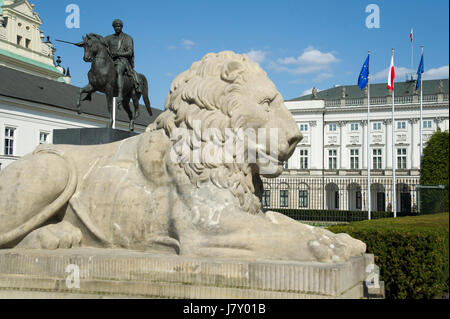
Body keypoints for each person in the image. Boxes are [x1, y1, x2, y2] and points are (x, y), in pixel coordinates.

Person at [105, 19, 141, 107]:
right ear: (113, 27)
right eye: (116, 26)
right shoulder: (108, 38)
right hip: (111, 60)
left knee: (118, 70)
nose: (117, 28)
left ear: (121, 27)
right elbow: (100, 44)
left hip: (122, 60)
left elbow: (130, 52)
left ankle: (120, 95)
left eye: (119, 26)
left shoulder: (127, 38)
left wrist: (118, 53)